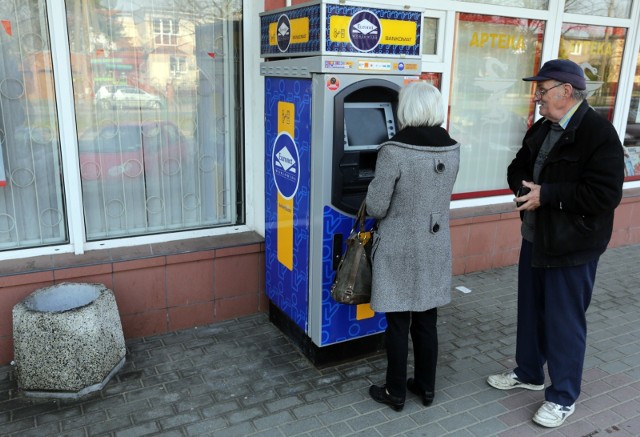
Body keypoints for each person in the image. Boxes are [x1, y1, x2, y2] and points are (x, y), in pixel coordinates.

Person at [487, 59, 625, 427]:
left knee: (564, 322)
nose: (537, 97)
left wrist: (546, 194)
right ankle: (529, 373)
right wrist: (524, 188)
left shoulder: (598, 133)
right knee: (531, 311)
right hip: (535, 236)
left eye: (543, 89)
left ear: (566, 91)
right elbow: (517, 166)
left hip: (572, 245)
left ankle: (563, 396)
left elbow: (604, 194)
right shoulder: (541, 128)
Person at [365, 81, 460, 411]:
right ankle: (426, 386)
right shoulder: (452, 147)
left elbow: (377, 206)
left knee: (398, 322)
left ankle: (395, 392)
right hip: (435, 244)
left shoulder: (394, 150)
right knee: (426, 319)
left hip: (399, 245)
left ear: (406, 109)